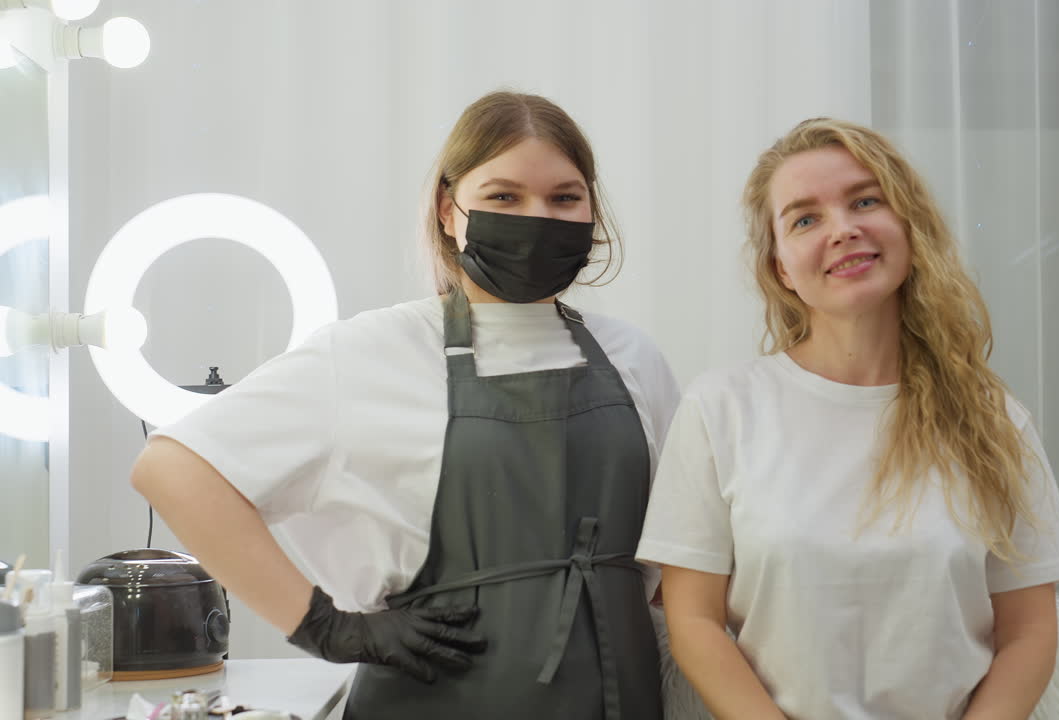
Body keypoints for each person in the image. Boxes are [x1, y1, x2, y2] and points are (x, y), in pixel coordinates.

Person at [132, 90, 680, 720]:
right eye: (504, 197)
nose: (538, 218)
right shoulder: (370, 353)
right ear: (449, 210)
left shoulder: (635, 358)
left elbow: (673, 572)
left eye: (563, 197)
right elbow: (172, 468)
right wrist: (326, 627)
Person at [635, 118, 1059, 720]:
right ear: (781, 269)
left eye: (865, 201)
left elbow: (1030, 632)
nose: (844, 230)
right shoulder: (720, 409)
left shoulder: (994, 420)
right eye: (805, 218)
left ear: (908, 224)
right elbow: (693, 620)